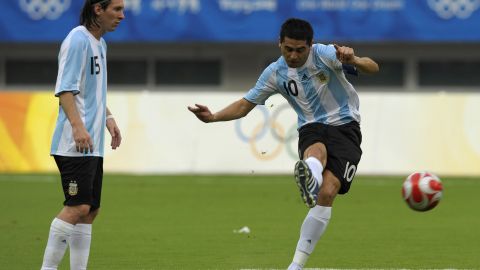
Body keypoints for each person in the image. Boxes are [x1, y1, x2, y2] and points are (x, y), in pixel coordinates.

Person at [188, 18, 379, 269]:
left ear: (310, 46)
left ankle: (312, 182)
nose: (293, 55)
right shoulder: (275, 73)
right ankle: (296, 261)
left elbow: (372, 67)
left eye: (300, 50)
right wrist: (213, 117)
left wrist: (353, 59)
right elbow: (245, 105)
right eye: (288, 48)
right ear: (279, 44)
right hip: (311, 126)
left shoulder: (325, 54)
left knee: (328, 192)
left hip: (346, 126)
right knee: (316, 149)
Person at [40, 0, 124, 269]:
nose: (121, 16)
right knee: (77, 207)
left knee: (90, 211)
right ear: (98, 9)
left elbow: (91, 89)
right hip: (74, 142)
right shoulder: (78, 40)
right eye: (116, 9)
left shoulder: (100, 43)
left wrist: (108, 118)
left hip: (92, 143)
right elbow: (65, 89)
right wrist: (77, 127)